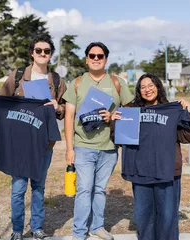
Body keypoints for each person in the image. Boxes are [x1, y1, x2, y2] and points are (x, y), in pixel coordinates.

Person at [0, 35, 67, 240]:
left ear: (51, 54)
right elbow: (1, 100)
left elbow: (67, 108)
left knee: (38, 186)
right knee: (18, 189)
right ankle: (17, 230)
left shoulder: (56, 80)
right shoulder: (18, 76)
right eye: (39, 50)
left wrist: (58, 106)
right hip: (20, 143)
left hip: (44, 143)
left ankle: (37, 228)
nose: (42, 54)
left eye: (46, 51)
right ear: (32, 53)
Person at [111, 73, 190, 240]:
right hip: (141, 172)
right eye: (143, 87)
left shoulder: (171, 111)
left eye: (151, 85)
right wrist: (116, 122)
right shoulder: (132, 112)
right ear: (139, 91)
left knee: (168, 218)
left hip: (167, 173)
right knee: (144, 219)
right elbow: (119, 140)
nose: (147, 90)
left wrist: (189, 111)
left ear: (158, 87)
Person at [62, 42, 134, 240]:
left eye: (100, 56)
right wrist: (69, 149)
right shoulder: (76, 83)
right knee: (84, 189)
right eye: (92, 55)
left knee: (100, 190)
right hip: (83, 146)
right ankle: (79, 232)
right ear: (86, 59)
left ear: (106, 59)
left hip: (109, 147)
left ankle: (97, 227)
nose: (96, 59)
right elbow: (68, 116)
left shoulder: (117, 83)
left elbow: (129, 110)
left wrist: (112, 116)